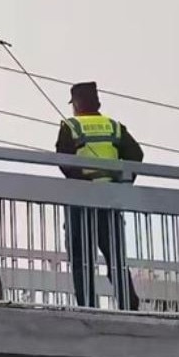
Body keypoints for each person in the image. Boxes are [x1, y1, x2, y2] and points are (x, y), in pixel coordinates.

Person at [56, 81, 143, 311]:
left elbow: (63, 161)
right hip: (110, 199)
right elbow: (136, 154)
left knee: (81, 259)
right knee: (115, 257)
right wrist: (122, 182)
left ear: (76, 103)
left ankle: (87, 306)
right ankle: (129, 303)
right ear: (98, 103)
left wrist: (82, 181)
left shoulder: (71, 126)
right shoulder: (114, 127)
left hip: (81, 201)